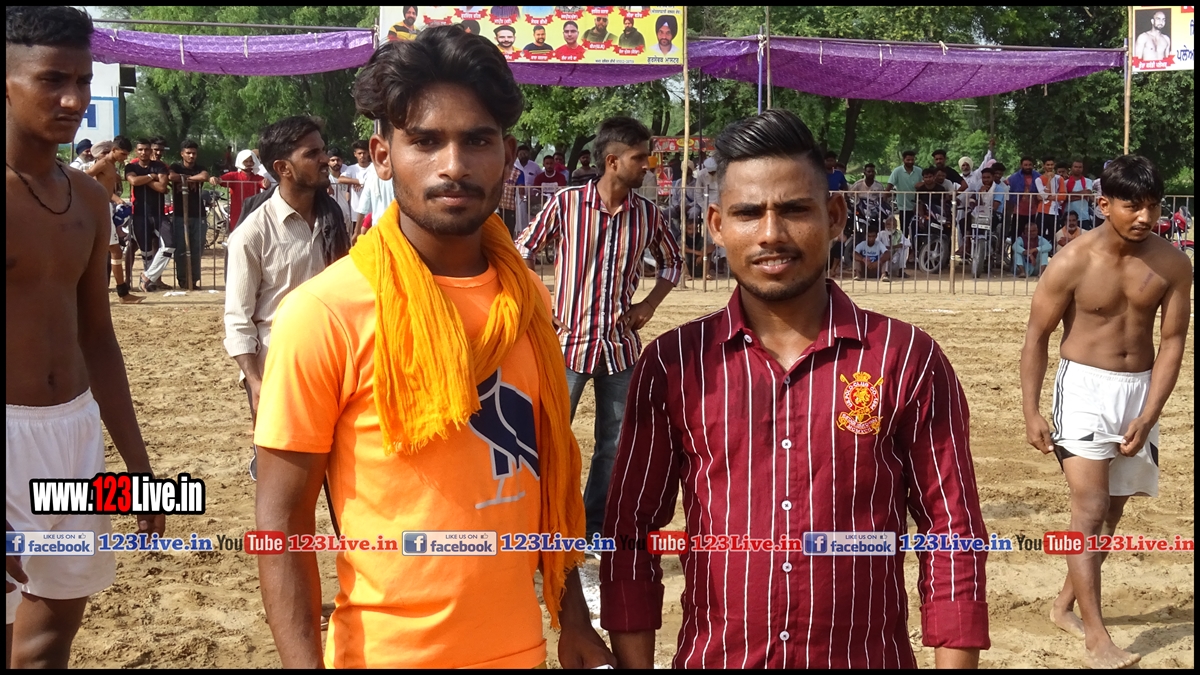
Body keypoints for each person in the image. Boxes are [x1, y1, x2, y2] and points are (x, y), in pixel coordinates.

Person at [254, 26, 615, 669]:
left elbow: (545, 469)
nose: (454, 165)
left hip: (521, 651)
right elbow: (281, 525)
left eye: (477, 140)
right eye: (425, 141)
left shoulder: (527, 299)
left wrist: (574, 619)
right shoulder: (324, 314)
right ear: (382, 155)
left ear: (506, 154)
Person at [601, 108, 989, 669]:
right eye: (748, 213)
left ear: (835, 216)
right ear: (717, 225)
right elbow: (630, 531)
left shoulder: (907, 359)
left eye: (794, 210)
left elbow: (951, 529)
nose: (770, 235)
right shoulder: (673, 364)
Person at [6, 7, 165, 668]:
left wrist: (139, 469)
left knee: (50, 638)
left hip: (74, 435)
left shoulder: (89, 199)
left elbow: (98, 338)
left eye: (82, 81)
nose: (73, 100)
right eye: (52, 80)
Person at [1020, 155, 1190, 669]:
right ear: (1104, 204)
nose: (1145, 217)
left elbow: (1173, 342)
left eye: (1153, 206)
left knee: (1112, 511)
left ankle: (1063, 606)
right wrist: (1031, 410)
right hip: (1083, 391)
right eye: (1132, 206)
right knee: (1090, 508)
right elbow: (1037, 336)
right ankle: (1097, 637)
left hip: (1139, 391)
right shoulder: (1072, 260)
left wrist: (1150, 412)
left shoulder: (1173, 264)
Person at [515, 115, 683, 541]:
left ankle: (593, 528)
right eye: (639, 158)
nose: (647, 165)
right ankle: (543, 524)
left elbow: (673, 262)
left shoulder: (648, 215)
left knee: (614, 444)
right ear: (612, 161)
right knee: (549, 439)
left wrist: (649, 304)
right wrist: (540, 303)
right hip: (566, 345)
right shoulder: (567, 204)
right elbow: (521, 251)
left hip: (619, 349)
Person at [224, 116, 350, 481]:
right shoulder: (252, 234)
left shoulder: (332, 217)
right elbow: (238, 318)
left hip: (333, 363)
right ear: (283, 168)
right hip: (277, 372)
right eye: (312, 153)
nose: (325, 159)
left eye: (322, 150)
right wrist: (255, 383)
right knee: (286, 486)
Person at [84, 136, 143, 304]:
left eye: (126, 155)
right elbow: (86, 176)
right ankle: (122, 294)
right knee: (114, 251)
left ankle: (120, 293)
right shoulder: (103, 163)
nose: (124, 157)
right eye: (122, 154)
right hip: (100, 210)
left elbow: (104, 187)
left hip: (105, 208)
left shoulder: (111, 165)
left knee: (108, 251)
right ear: (114, 150)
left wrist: (114, 199)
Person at [124, 138, 173, 292]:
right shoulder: (131, 166)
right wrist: (152, 177)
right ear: (136, 151)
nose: (144, 152)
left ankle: (147, 276)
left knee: (169, 244)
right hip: (139, 214)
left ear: (150, 150)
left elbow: (162, 187)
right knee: (145, 252)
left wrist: (143, 179)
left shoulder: (160, 166)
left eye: (146, 149)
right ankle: (146, 283)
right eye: (140, 149)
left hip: (158, 213)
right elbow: (133, 181)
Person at [167, 139, 209, 290]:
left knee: (197, 248)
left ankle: (194, 280)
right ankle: (183, 280)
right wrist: (187, 178)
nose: (191, 156)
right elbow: (171, 176)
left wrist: (186, 179)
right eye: (188, 153)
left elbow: (204, 176)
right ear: (182, 154)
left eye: (194, 153)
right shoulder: (175, 166)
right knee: (181, 249)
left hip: (198, 214)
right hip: (180, 214)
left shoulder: (200, 168)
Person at [210, 149, 269, 233]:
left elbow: (264, 184)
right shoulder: (233, 176)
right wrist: (214, 179)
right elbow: (220, 180)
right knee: (236, 233)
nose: (249, 164)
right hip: (237, 211)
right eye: (246, 161)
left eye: (251, 161)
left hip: (252, 210)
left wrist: (266, 183)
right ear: (240, 161)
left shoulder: (257, 177)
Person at [885, 149, 921, 235]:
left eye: (912, 159)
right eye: (908, 160)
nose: (910, 162)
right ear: (903, 160)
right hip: (903, 206)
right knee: (904, 230)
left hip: (918, 206)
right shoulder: (897, 171)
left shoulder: (919, 171)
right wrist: (884, 198)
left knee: (917, 230)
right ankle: (904, 243)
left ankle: (915, 244)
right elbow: (889, 185)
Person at [1007, 157, 1041, 242]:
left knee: (1033, 236)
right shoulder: (1014, 178)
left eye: (1030, 165)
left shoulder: (1039, 177)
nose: (1028, 167)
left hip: (1034, 211)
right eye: (1025, 165)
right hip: (1018, 211)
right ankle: (1015, 251)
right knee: (1016, 235)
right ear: (1021, 165)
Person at [325, 146, 353, 232]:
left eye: (338, 160)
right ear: (328, 161)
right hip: (330, 213)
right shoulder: (324, 176)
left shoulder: (348, 173)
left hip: (346, 214)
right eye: (332, 160)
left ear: (342, 161)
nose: (336, 162)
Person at [1035, 157, 1065, 239]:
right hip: (1042, 211)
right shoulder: (1038, 179)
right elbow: (1044, 196)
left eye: (1051, 165)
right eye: (1048, 165)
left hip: (1055, 211)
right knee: (1040, 235)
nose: (1050, 167)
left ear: (1054, 165)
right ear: (1043, 166)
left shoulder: (1059, 178)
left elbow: (1063, 196)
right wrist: (1049, 179)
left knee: (1055, 236)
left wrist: (1047, 197)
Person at [1063, 160, 1094, 230]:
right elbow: (1065, 197)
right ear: (1071, 168)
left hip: (1083, 216)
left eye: (1080, 167)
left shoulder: (1088, 181)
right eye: (1076, 167)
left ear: (1082, 168)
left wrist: (1071, 194)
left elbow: (1087, 193)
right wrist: (1082, 196)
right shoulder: (1065, 182)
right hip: (1068, 216)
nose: (1078, 169)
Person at [881, 212, 911, 277]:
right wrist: (891, 247)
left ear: (896, 226)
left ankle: (901, 271)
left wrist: (897, 245)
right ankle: (885, 273)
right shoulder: (881, 234)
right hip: (883, 263)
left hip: (895, 261)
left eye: (892, 225)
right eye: (888, 224)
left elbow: (908, 243)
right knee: (885, 252)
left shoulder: (899, 234)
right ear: (885, 225)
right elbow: (877, 245)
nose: (889, 227)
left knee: (904, 248)